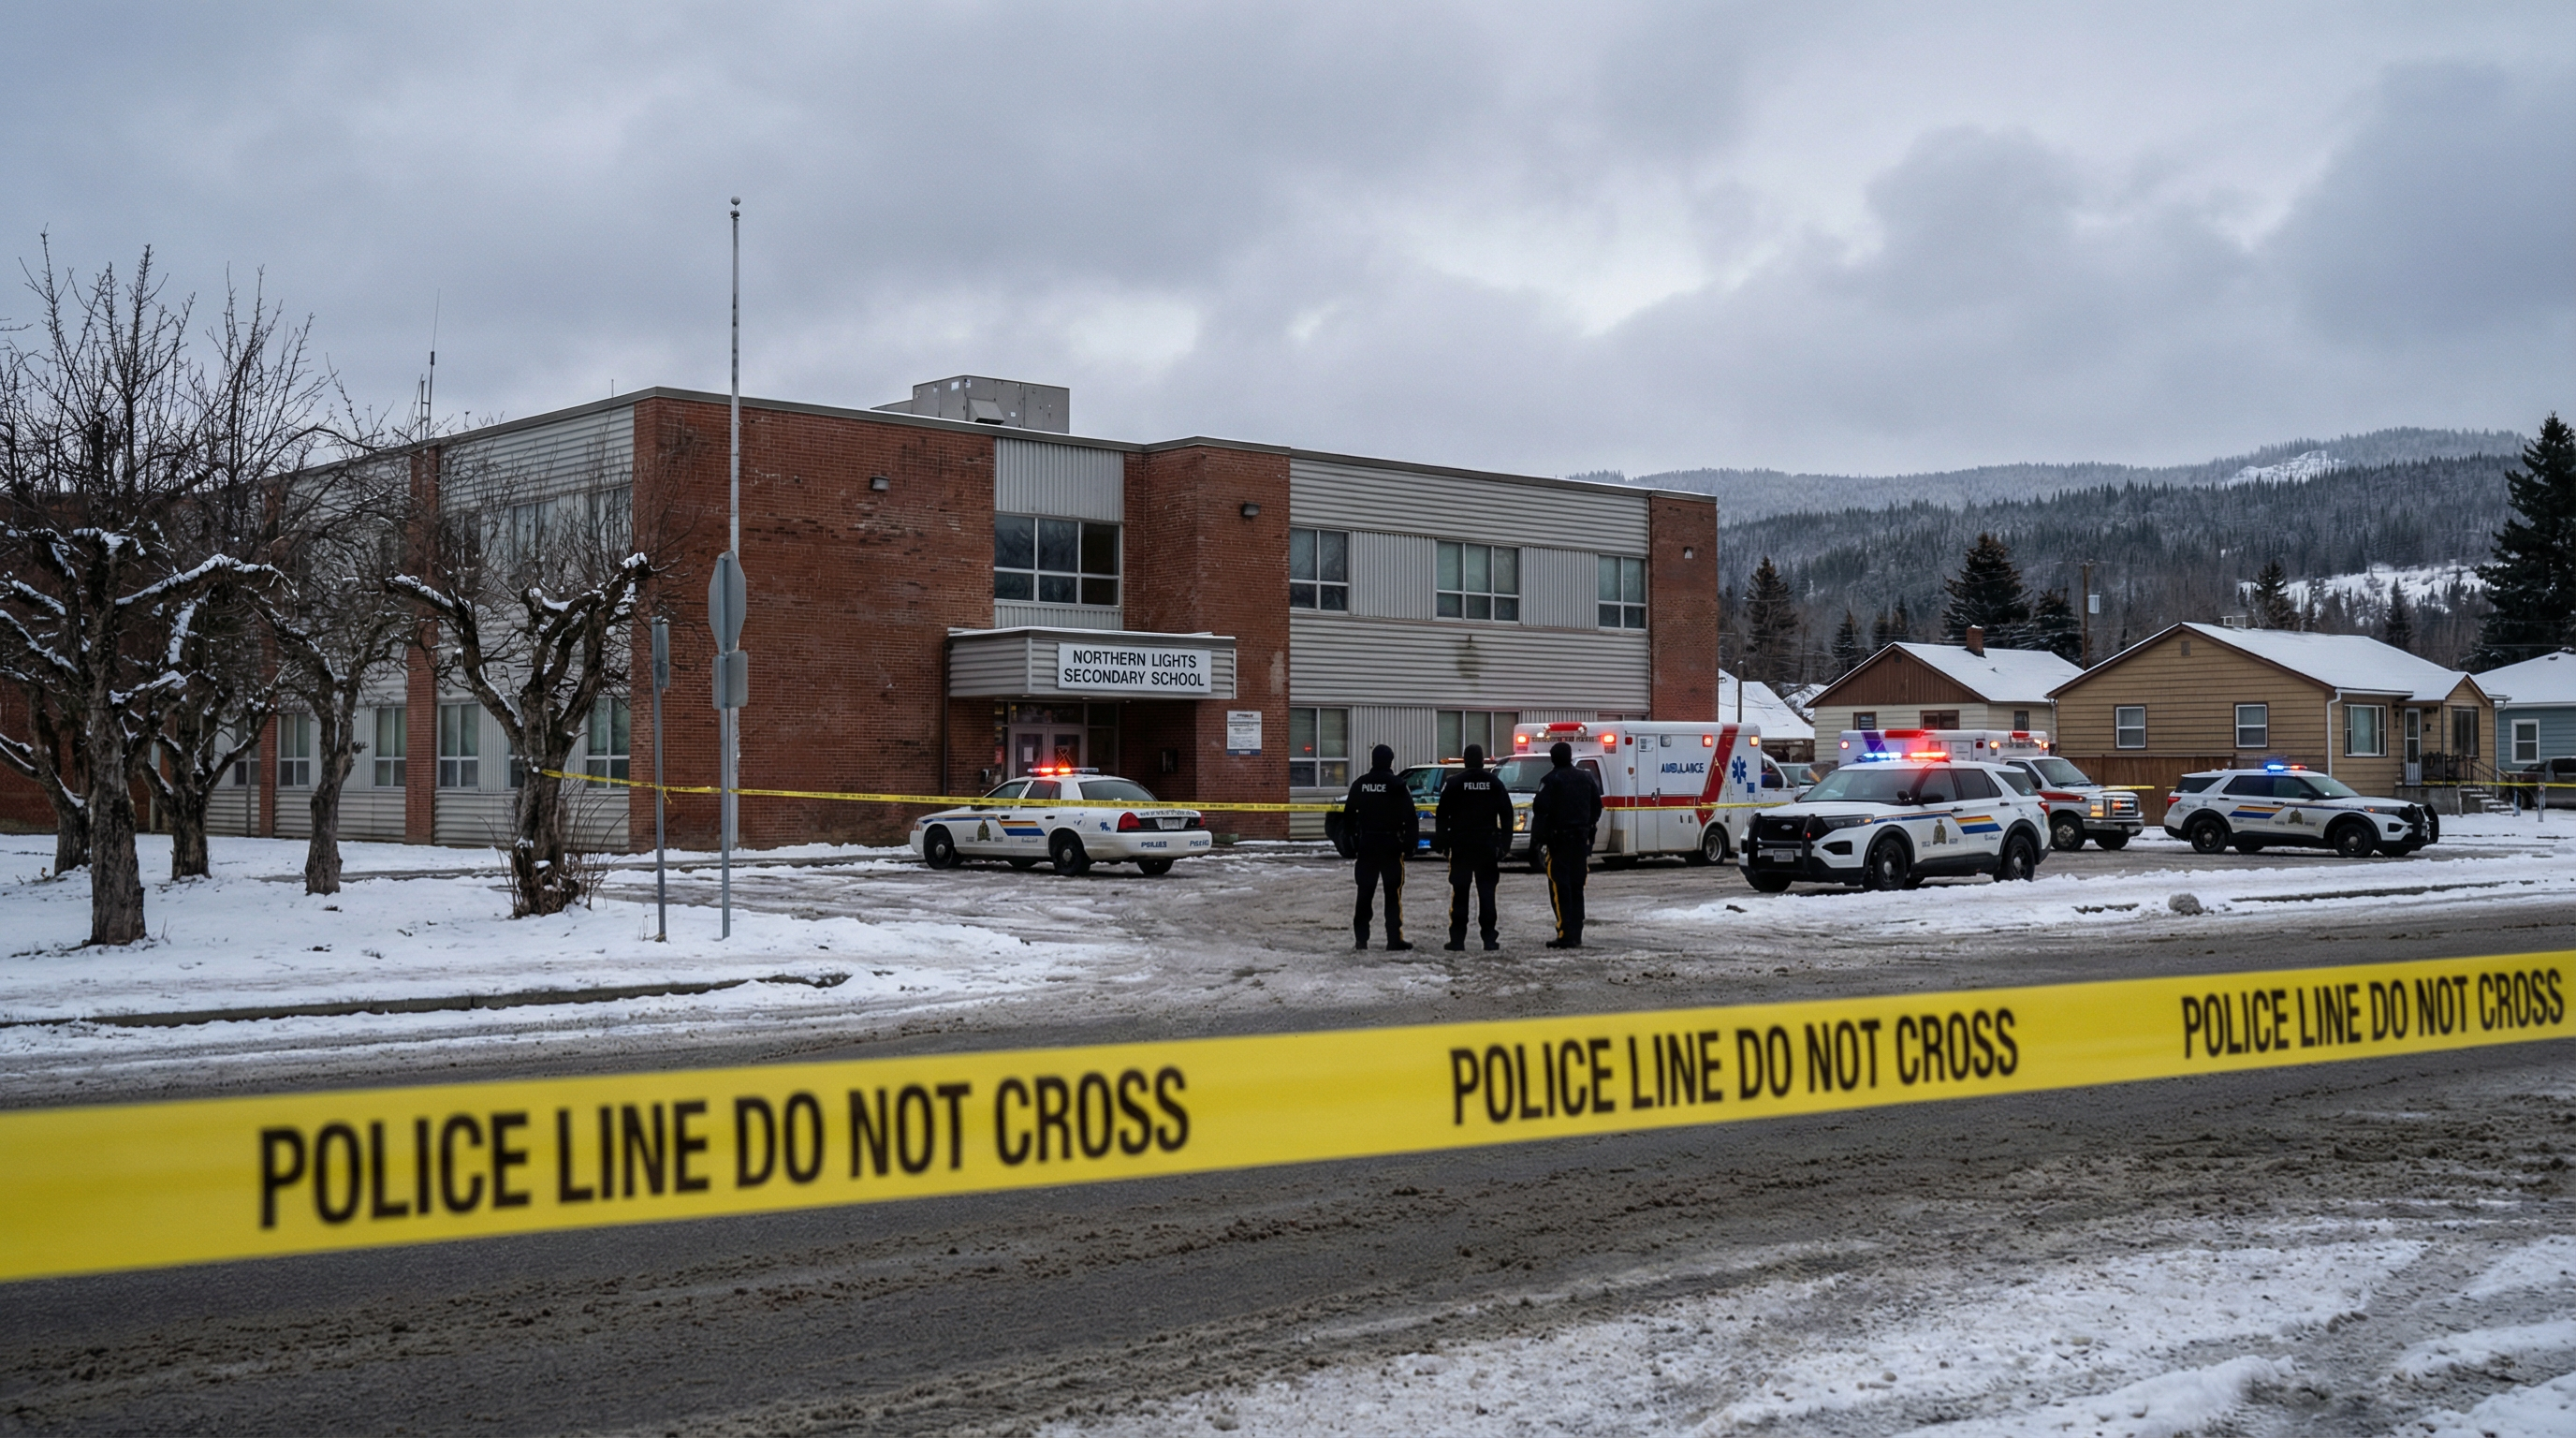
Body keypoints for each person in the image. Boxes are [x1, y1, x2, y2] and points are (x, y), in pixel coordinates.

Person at [1433, 743, 1513, 951]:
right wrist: (1505, 844)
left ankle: (1457, 939)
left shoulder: (1454, 784)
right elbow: (1507, 814)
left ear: (1465, 760)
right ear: (1483, 760)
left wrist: (1442, 843)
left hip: (1461, 847)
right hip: (1487, 845)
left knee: (1460, 893)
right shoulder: (1494, 783)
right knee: (1487, 894)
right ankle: (1489, 938)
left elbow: (1442, 816)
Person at [1341, 744, 1418, 950]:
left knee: (1364, 892)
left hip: (1367, 846)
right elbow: (1410, 818)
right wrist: (1410, 846)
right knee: (1392, 895)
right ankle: (1393, 939)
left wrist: (1352, 843)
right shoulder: (1397, 785)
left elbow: (1348, 817)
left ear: (1373, 760)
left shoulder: (1361, 784)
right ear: (1391, 761)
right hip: (1391, 846)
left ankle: (1361, 939)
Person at [1530, 741, 1603, 948]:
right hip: (1580, 841)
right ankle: (1577, 932)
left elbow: (1540, 811)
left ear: (1553, 759)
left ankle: (1565, 933)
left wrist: (1537, 840)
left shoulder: (1550, 780)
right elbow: (1597, 806)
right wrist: (1588, 827)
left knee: (1560, 888)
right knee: (1577, 887)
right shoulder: (1586, 778)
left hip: (1559, 843)